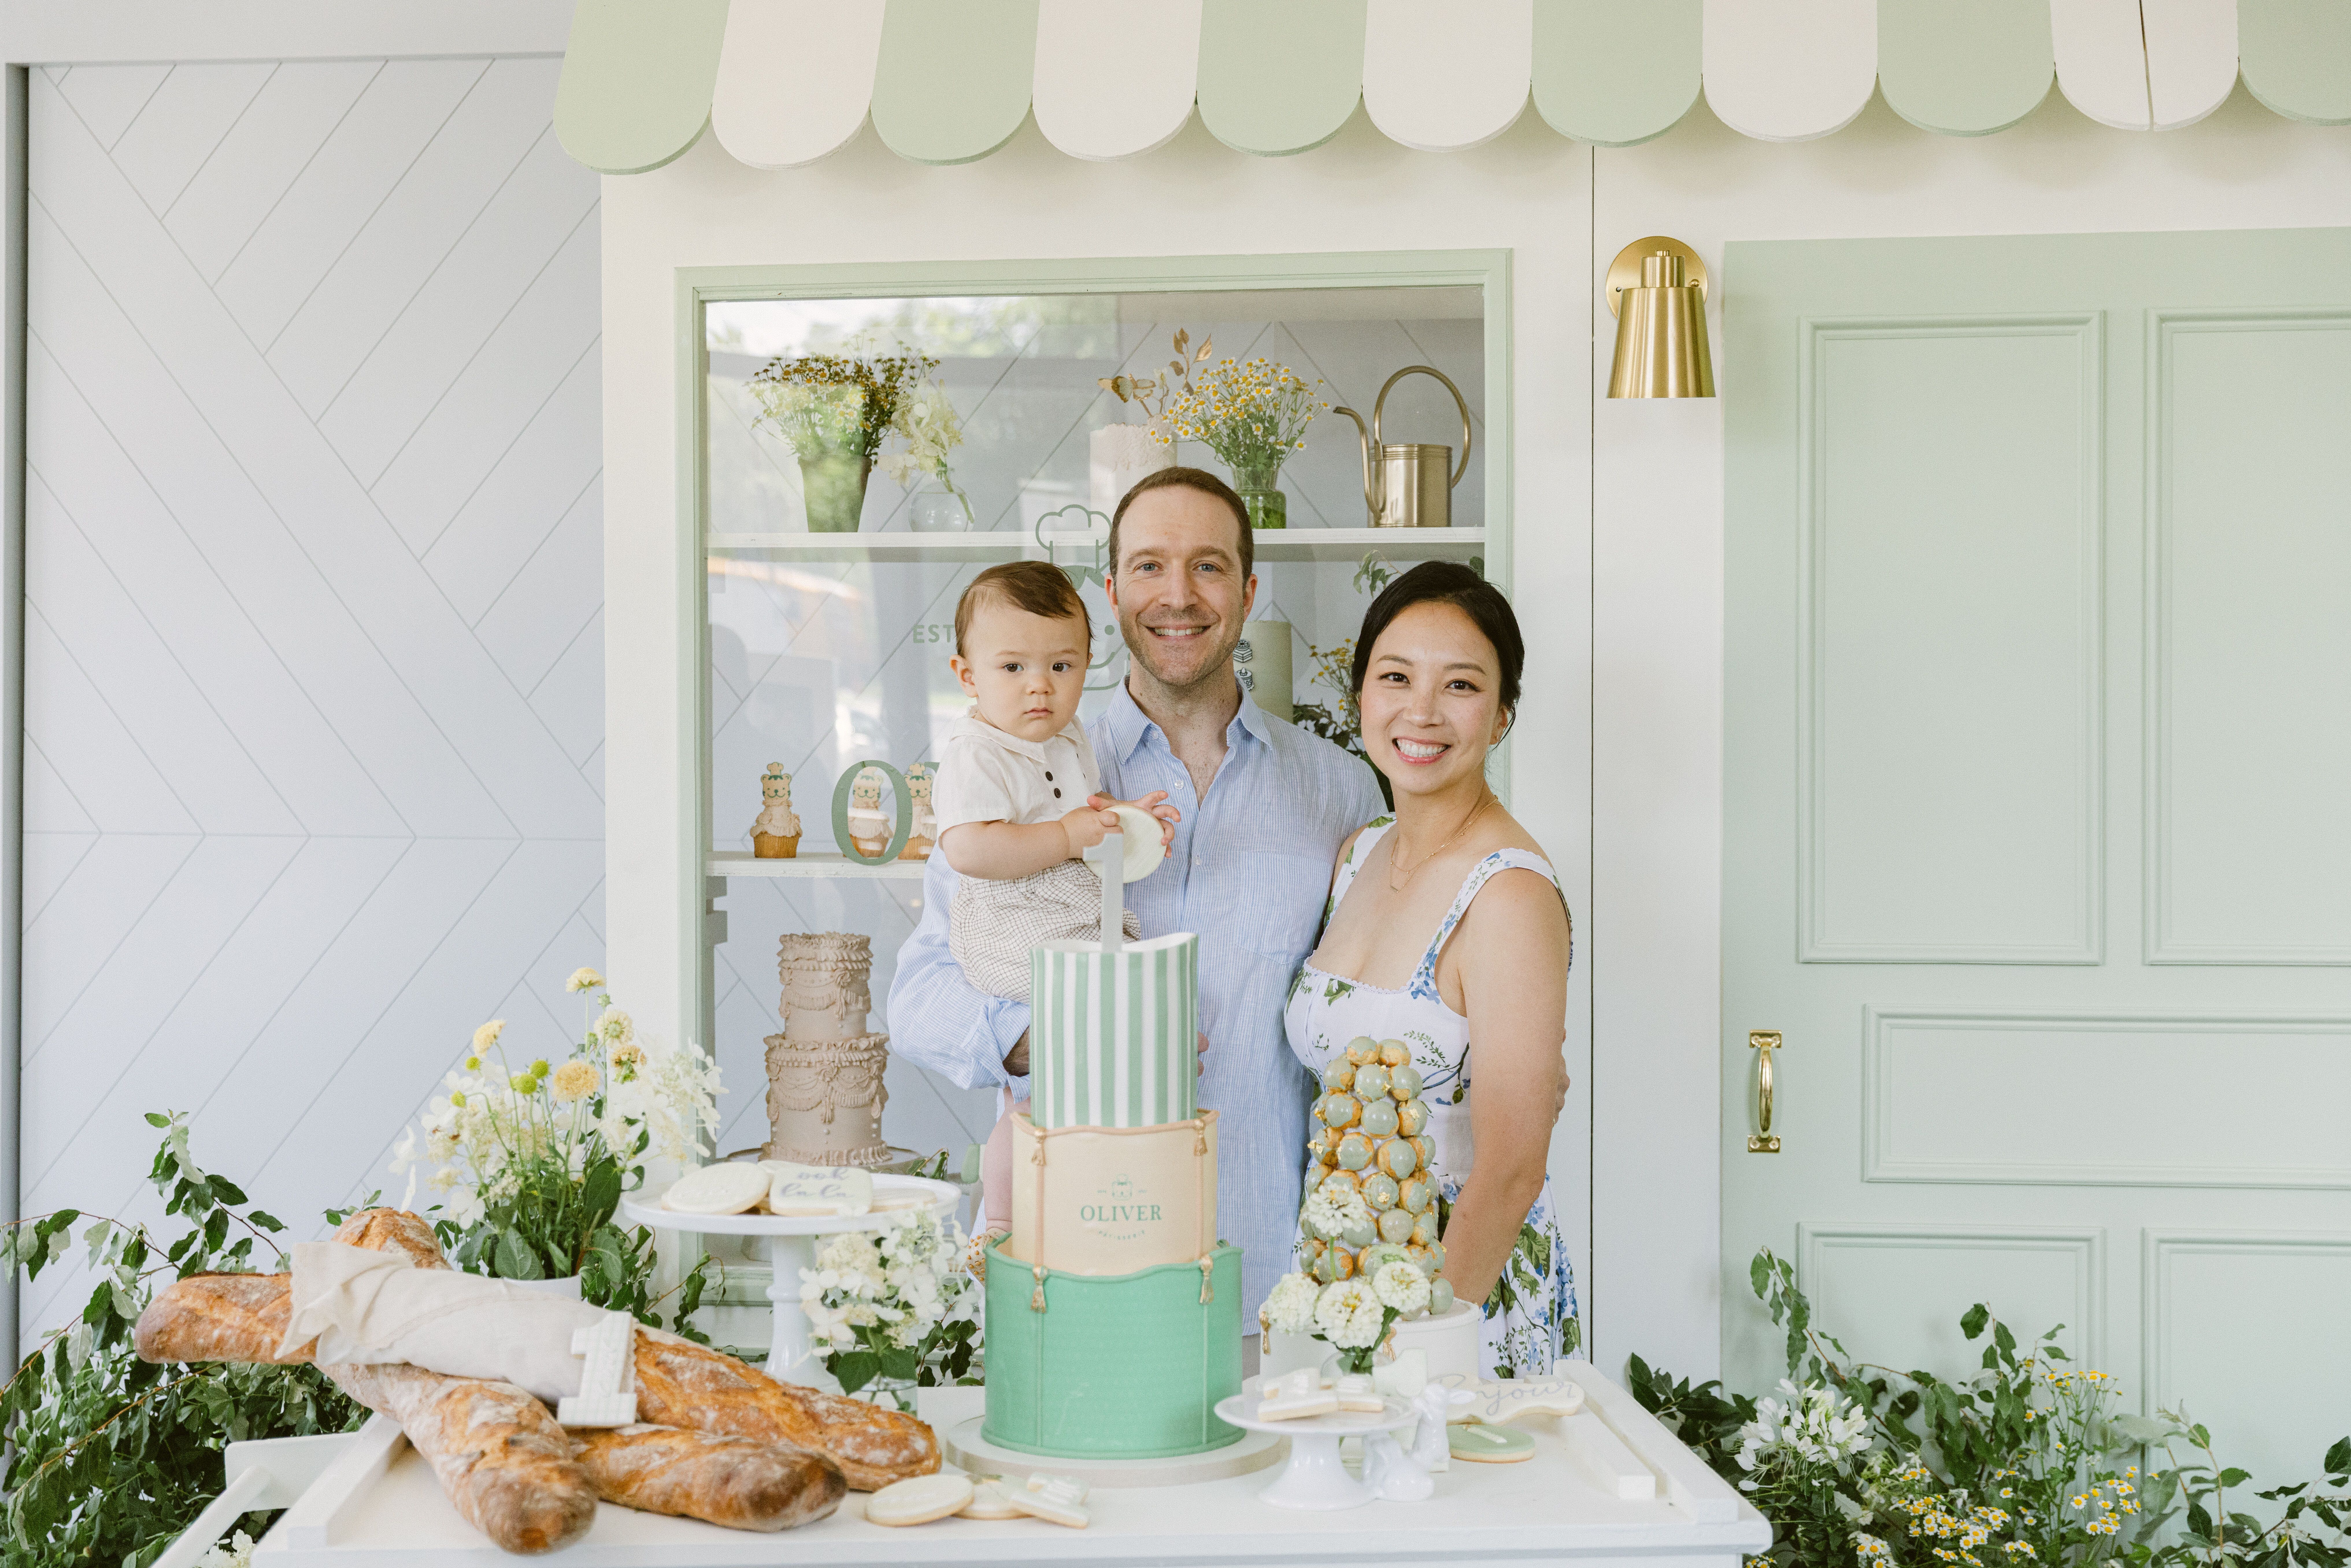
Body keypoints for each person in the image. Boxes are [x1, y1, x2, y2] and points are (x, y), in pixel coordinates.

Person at [889, 467, 1387, 1332]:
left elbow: (1365, 1018)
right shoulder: (1019, 771)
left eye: (1207, 566)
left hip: (1269, 1281)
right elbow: (920, 999)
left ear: (1247, 590)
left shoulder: (1338, 791)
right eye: (1149, 567)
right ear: (1112, 592)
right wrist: (1051, 1034)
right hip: (1067, 1266)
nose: (1178, 596)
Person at [1282, 561, 1579, 1377]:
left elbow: (1513, 1164)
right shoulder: (1359, 853)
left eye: (1459, 685)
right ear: (1359, 698)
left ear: (1502, 713)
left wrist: (1413, 1346)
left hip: (1455, 1303)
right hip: (1342, 1286)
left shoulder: (1508, 893)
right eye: (1395, 677)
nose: (1421, 711)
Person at [926, 560, 1175, 1243]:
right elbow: (970, 850)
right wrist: (1067, 836)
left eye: (1061, 666)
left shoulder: (1067, 736)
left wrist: (1124, 818)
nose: (1040, 685)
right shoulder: (976, 753)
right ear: (967, 675)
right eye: (1012, 668)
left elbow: (1078, 811)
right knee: (1034, 1096)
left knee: (1095, 1066)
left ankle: (1150, 1064)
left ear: (1088, 663)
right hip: (1009, 916)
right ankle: (1003, 1222)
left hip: (1064, 901)